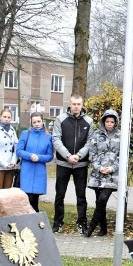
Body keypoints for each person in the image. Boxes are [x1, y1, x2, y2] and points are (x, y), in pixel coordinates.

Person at [51, 94, 93, 234]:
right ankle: (58, 223)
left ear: (82, 104)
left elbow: (90, 142)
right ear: (70, 104)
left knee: (81, 196)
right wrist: (68, 156)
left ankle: (82, 223)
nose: (76, 106)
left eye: (78, 104)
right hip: (63, 163)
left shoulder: (89, 121)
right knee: (60, 195)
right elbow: (56, 139)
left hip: (80, 165)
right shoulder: (60, 119)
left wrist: (79, 156)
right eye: (74, 104)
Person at [84, 109, 121, 237]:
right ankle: (103, 228)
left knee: (102, 199)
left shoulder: (120, 136)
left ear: (115, 123)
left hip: (112, 176)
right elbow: (92, 153)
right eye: (107, 121)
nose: (109, 124)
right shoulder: (96, 135)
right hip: (98, 174)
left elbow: (122, 157)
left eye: (112, 122)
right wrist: (98, 167)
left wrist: (112, 168)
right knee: (99, 201)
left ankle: (91, 228)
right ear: (103, 122)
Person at [15, 112, 54, 212]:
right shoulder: (25, 134)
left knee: (34, 199)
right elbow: (19, 151)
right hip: (26, 170)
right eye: (34, 122)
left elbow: (50, 156)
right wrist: (29, 156)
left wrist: (39, 158)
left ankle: (35, 220)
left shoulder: (48, 137)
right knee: (26, 197)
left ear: (43, 122)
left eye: (39, 121)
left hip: (39, 171)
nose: (37, 124)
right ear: (31, 123)